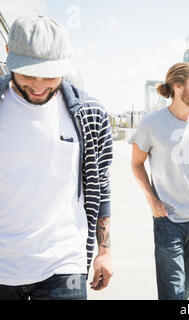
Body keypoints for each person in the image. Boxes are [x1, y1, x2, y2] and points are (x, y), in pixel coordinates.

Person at [0, 15, 113, 300]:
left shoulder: (90, 114)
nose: (38, 86)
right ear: (8, 55)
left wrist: (105, 251)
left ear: (68, 61)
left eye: (49, 75)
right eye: (27, 74)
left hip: (64, 263)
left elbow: (100, 184)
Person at [130, 62, 189, 300]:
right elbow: (137, 163)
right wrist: (151, 200)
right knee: (172, 290)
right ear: (178, 86)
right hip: (167, 219)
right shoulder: (151, 123)